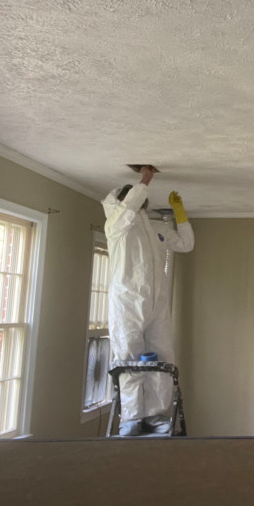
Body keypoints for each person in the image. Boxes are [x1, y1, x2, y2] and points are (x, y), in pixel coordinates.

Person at [102, 165, 194, 436]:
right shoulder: (116, 227)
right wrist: (144, 181)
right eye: (134, 198)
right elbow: (127, 211)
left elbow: (186, 244)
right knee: (129, 359)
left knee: (162, 358)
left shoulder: (155, 232)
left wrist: (180, 214)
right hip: (127, 303)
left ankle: (154, 414)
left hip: (158, 304)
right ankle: (131, 418)